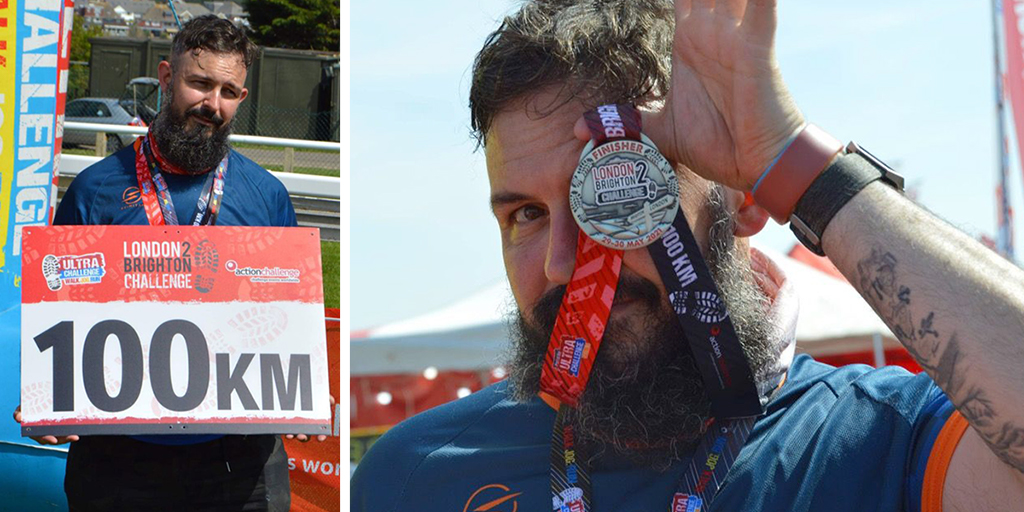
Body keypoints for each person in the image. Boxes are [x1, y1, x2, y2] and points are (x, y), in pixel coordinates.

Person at [351, 1, 1024, 511]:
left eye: (613, 191)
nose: (560, 264)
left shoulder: (880, 442)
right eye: (525, 214)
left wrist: (796, 167)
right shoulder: (414, 473)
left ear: (743, 198)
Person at [12, 15, 325, 511]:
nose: (212, 104)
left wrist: (302, 391)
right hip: (118, 461)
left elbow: (287, 318)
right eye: (199, 83)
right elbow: (60, 310)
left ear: (242, 98)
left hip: (238, 465)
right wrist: (50, 394)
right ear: (165, 77)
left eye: (228, 91)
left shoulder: (266, 196)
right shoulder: (95, 190)